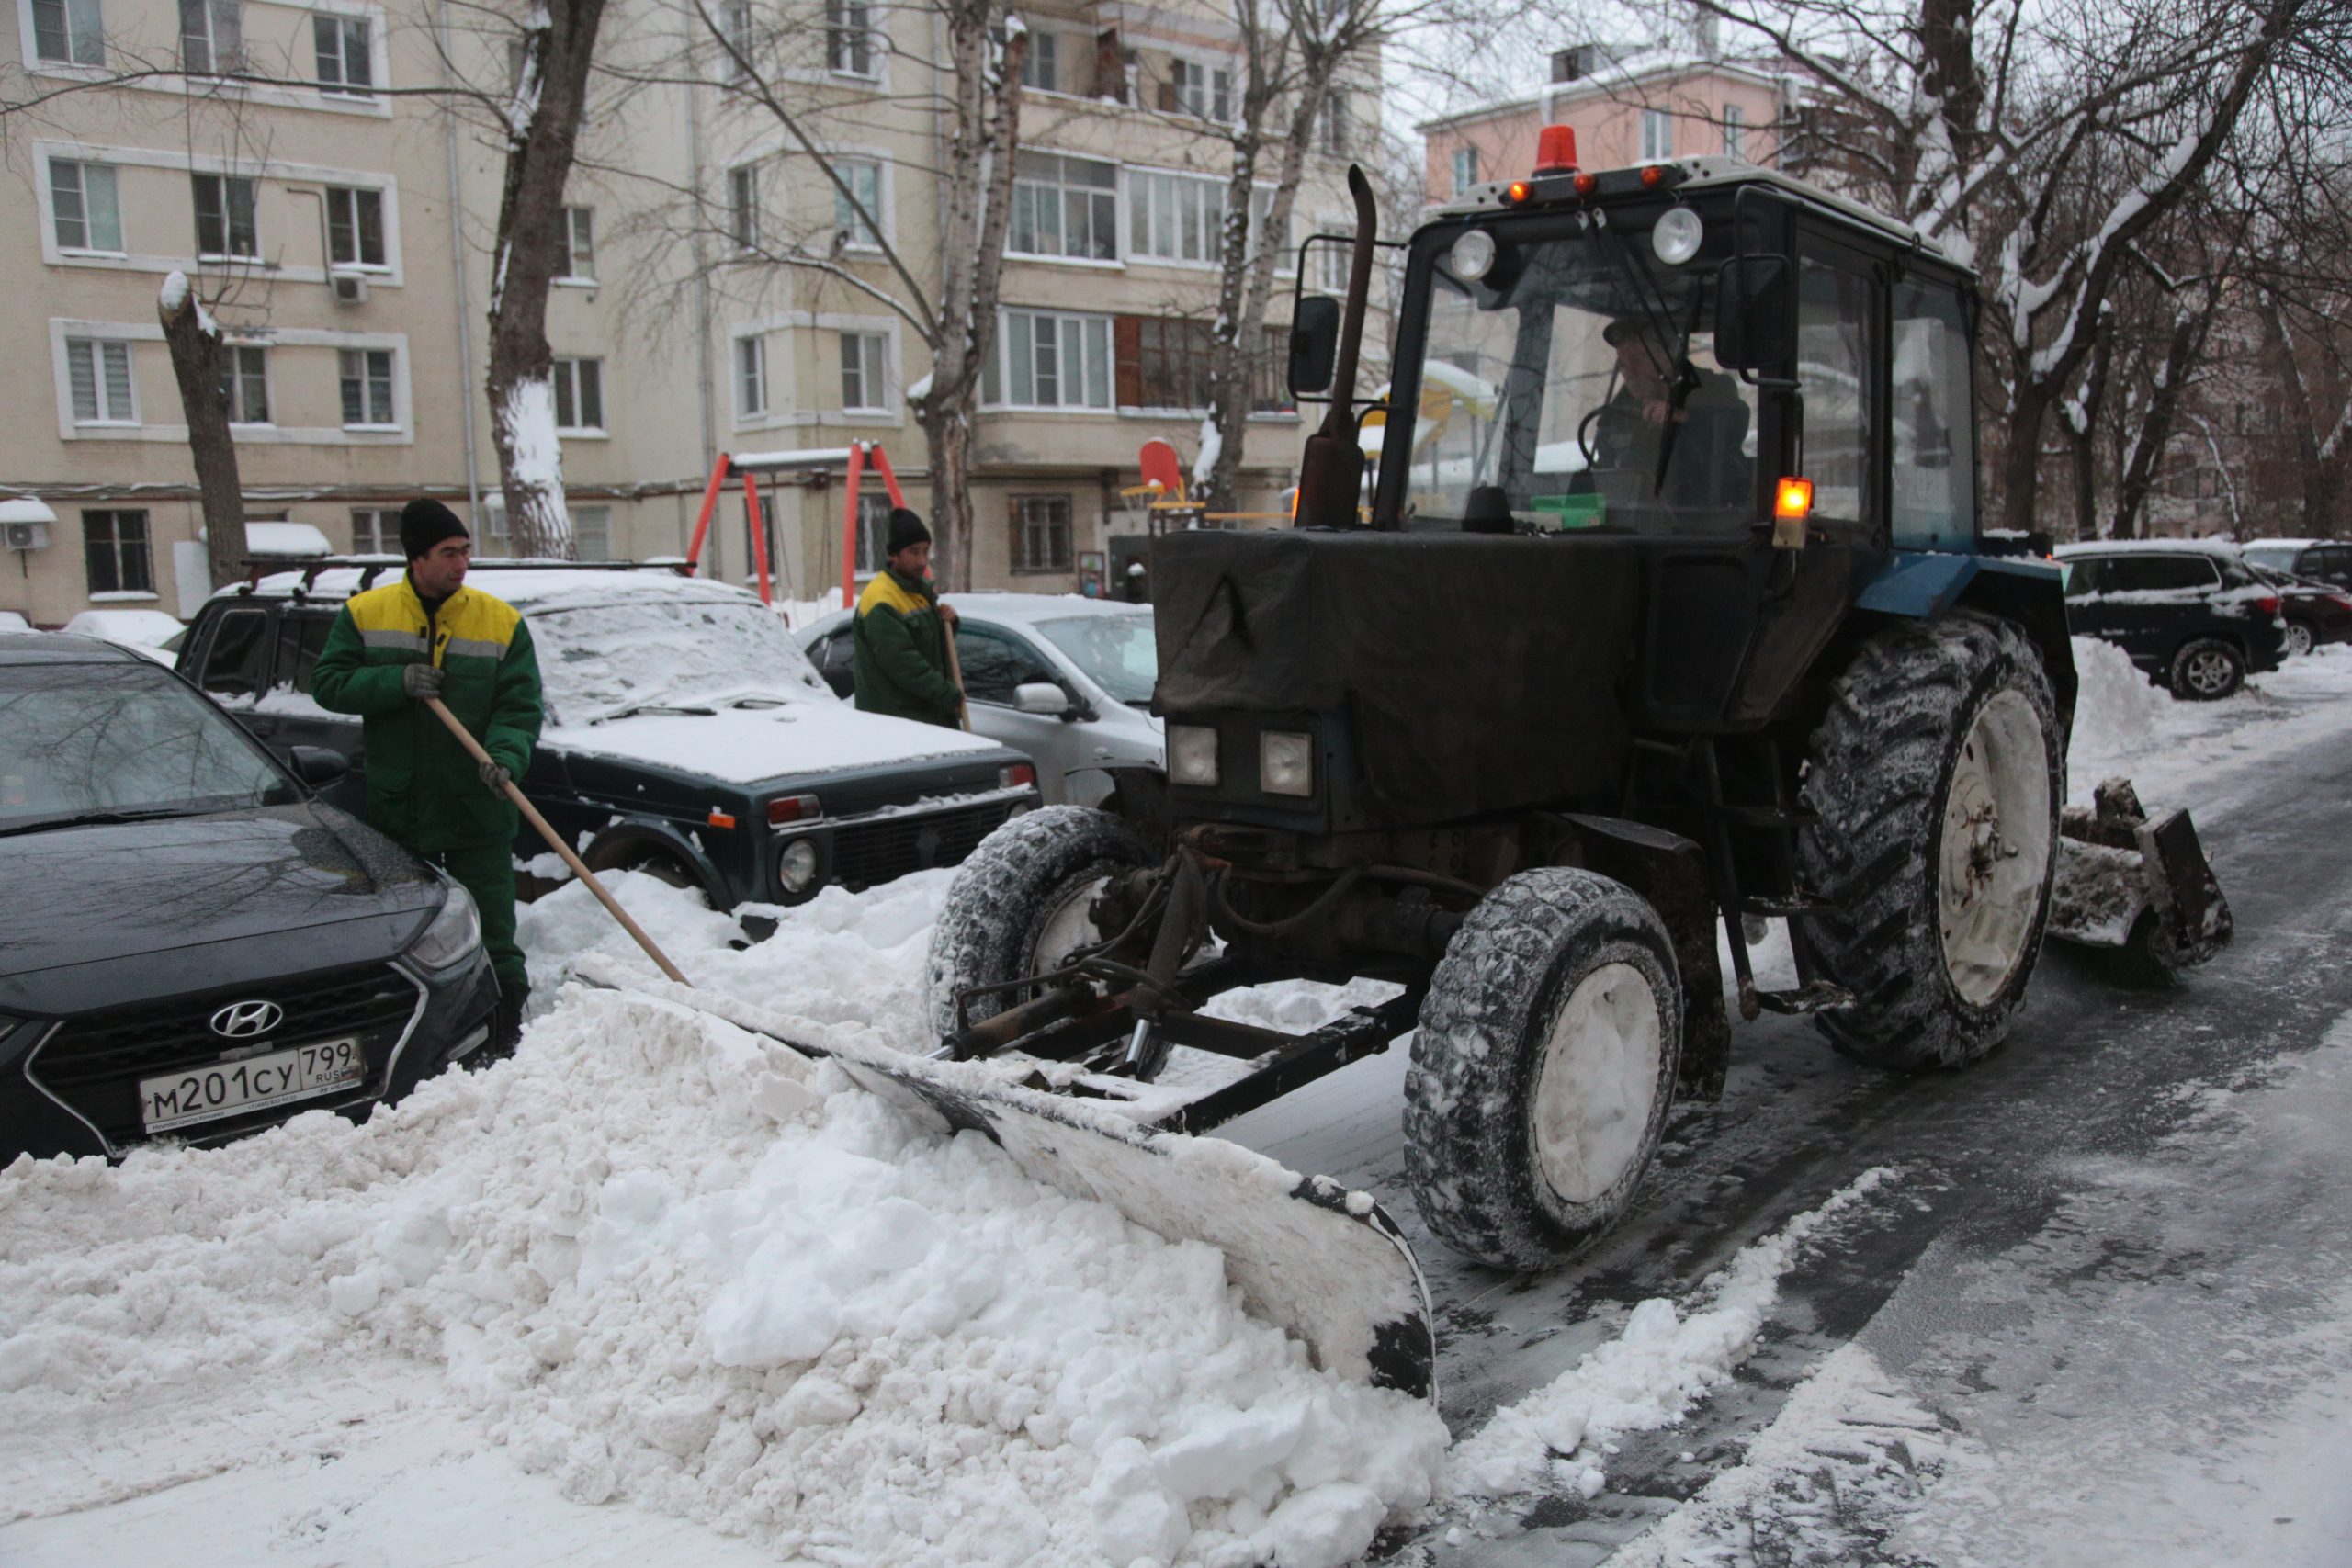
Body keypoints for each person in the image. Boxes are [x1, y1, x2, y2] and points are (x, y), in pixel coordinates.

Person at [311, 499, 544, 1053]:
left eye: (465, 551)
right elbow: (328, 684)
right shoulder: (366, 614)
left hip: (477, 802)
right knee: (405, 927)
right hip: (402, 806)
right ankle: (404, 1028)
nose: (461, 563)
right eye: (448, 553)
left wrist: (505, 756)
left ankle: (506, 1024)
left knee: (493, 926)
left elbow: (520, 707)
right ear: (417, 558)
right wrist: (394, 682)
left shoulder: (500, 621)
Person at [1588, 318, 1751, 511]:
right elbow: (1603, 472)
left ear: (1668, 357)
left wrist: (1683, 416)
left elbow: (1733, 421)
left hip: (1706, 519)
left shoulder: (1711, 388)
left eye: (1637, 359)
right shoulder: (1618, 410)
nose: (1629, 371)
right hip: (1636, 522)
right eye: (1622, 364)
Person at [852, 507, 964, 728]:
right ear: (893, 555)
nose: (922, 560)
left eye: (926, 551)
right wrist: (946, 693)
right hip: (898, 722)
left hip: (927, 717)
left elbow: (931, 646)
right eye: (914, 552)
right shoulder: (880, 600)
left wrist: (949, 621)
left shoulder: (918, 591)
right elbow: (904, 663)